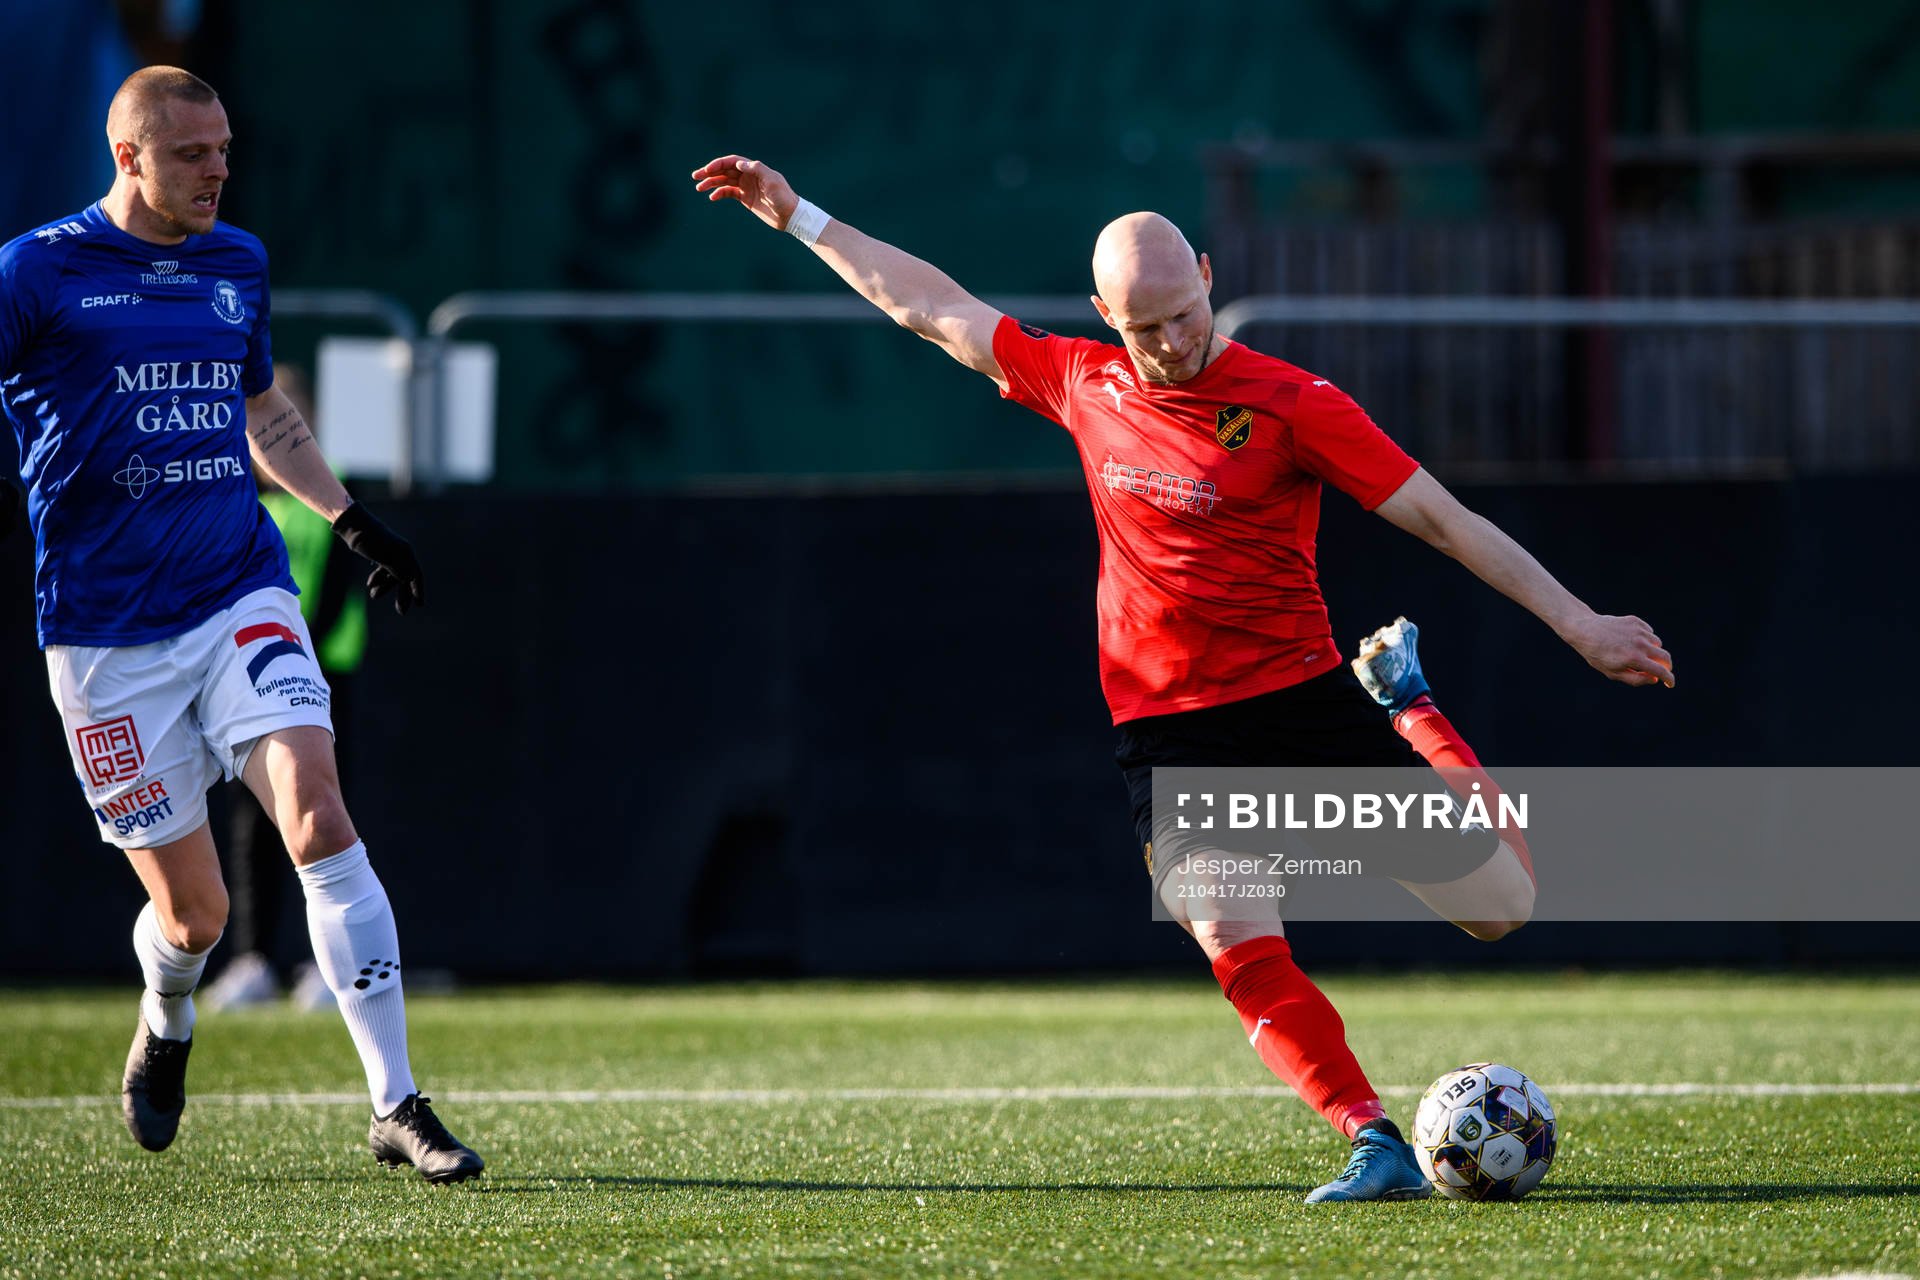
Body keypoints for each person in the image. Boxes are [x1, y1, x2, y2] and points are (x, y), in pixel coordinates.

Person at [690, 155, 1673, 1202]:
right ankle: (1370, 1135)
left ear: (1207, 275)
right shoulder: (1080, 379)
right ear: (1102, 314)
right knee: (1227, 924)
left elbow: (1442, 516)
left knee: (1500, 907)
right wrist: (799, 215)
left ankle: (1410, 702)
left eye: (1185, 312)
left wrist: (1580, 621)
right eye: (1145, 324)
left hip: (1299, 702)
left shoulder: (1294, 403)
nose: (1172, 341)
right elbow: (929, 306)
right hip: (1170, 728)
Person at [0, 66, 483, 1183]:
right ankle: (167, 1020)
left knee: (316, 813)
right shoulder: (37, 272)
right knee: (196, 913)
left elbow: (262, 405)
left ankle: (396, 1101)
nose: (219, 170)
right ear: (129, 157)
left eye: (225, 149)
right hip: (103, 633)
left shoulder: (237, 263)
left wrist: (353, 520)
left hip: (236, 592)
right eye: (193, 154)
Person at [201, 368, 361, 1014]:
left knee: (323, 821)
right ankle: (253, 958)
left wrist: (299, 660)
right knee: (252, 824)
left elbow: (339, 587)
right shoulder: (231, 496)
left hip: (324, 674)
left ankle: (327, 965)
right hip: (245, 683)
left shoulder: (334, 493)